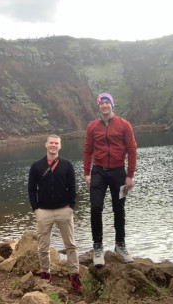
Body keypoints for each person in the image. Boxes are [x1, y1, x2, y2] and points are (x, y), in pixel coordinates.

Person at [84, 92, 137, 267]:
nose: (104, 106)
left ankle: (120, 245)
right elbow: (87, 151)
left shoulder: (124, 125)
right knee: (95, 208)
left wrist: (130, 176)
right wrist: (87, 173)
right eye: (102, 103)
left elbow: (132, 150)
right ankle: (97, 247)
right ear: (98, 106)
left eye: (107, 103)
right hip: (98, 172)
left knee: (119, 209)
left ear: (112, 105)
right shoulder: (92, 127)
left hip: (119, 173)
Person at [28, 134, 82, 292]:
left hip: (63, 210)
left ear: (60, 146)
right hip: (43, 211)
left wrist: (71, 207)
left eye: (56, 143)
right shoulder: (36, 166)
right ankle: (46, 273)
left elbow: (72, 187)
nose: (53, 145)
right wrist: (35, 209)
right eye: (51, 143)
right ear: (46, 145)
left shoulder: (67, 165)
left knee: (70, 245)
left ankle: (74, 275)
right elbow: (32, 189)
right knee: (43, 247)